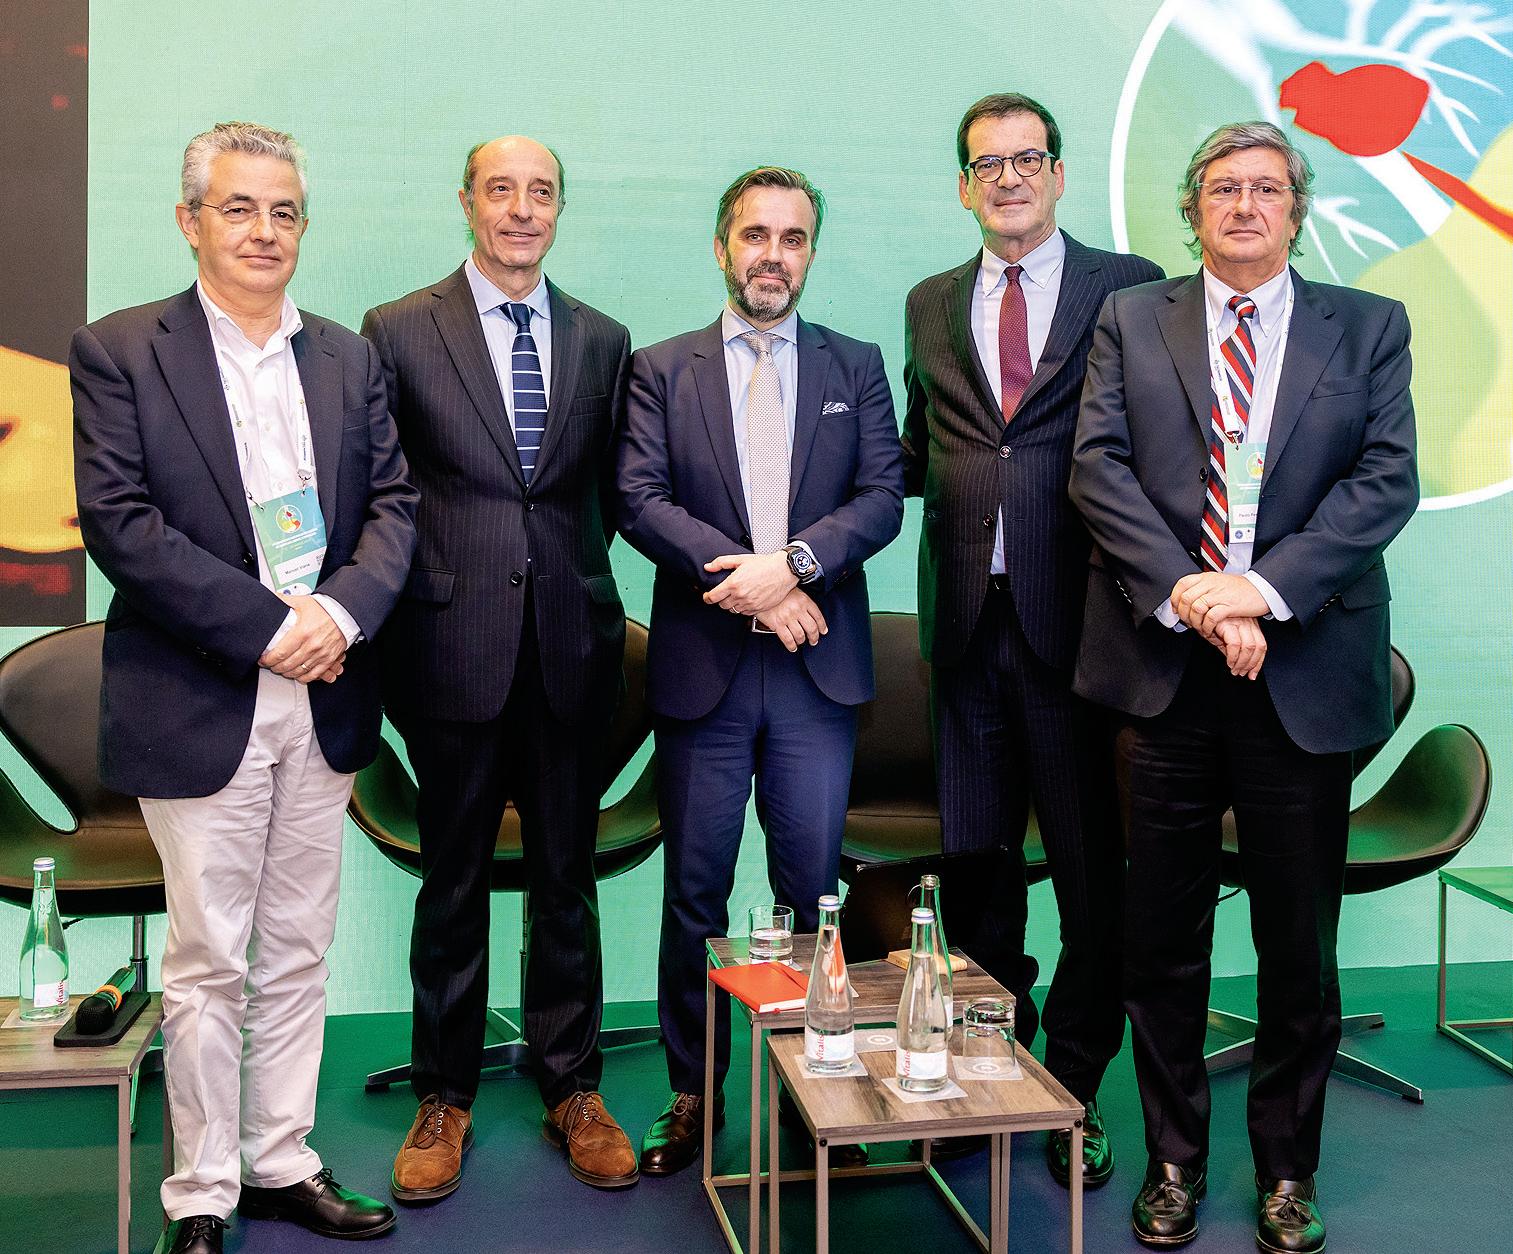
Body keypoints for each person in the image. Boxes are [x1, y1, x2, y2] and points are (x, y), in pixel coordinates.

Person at [1070, 121, 1418, 1252]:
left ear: (1295, 212)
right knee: (1160, 940)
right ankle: (1173, 1159)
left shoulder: (1367, 325)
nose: (1244, 206)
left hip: (1299, 672)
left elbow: (1383, 483)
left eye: (1267, 188)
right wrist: (1194, 596)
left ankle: (1285, 1171)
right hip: (1164, 669)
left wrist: (1258, 594)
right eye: (1222, 188)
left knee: (1296, 948)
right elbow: (1097, 469)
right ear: (1191, 210)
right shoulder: (1131, 319)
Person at [70, 121, 417, 1254]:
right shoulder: (122, 349)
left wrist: (339, 616)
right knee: (210, 959)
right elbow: (123, 526)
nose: (264, 231)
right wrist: (275, 628)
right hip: (201, 693)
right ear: (190, 221)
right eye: (237, 208)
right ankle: (203, 1191)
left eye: (283, 211)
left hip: (327, 691)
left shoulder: (349, 357)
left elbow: (394, 508)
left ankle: (280, 1160)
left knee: (299, 950)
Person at [363, 135, 638, 1197]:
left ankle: (575, 1087)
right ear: (467, 202)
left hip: (571, 648)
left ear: (558, 209)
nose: (522, 210)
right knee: (454, 884)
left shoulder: (602, 338)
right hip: (448, 649)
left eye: (541, 192)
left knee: (567, 881)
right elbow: (382, 489)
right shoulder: (398, 329)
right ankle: (445, 1095)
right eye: (501, 190)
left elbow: (608, 493)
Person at [616, 166, 904, 1176]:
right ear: (721, 246)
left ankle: (812, 1092)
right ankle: (693, 1094)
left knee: (811, 895)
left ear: (809, 252)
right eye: (754, 235)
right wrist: (755, 587)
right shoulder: (661, 369)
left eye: (791, 237)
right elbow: (639, 498)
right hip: (706, 676)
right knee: (693, 897)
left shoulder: (855, 364)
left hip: (816, 673)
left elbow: (882, 497)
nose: (771, 255)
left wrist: (796, 567)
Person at [900, 92, 1162, 1182]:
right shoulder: (928, 300)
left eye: (1026, 160)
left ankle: (1077, 1083)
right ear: (963, 187)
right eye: (986, 165)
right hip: (965, 630)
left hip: (1083, 629)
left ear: (1056, 174)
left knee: (1092, 872)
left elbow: (1162, 441)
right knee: (976, 865)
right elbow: (919, 445)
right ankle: (991, 1062)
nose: (1007, 179)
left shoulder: (1129, 287)